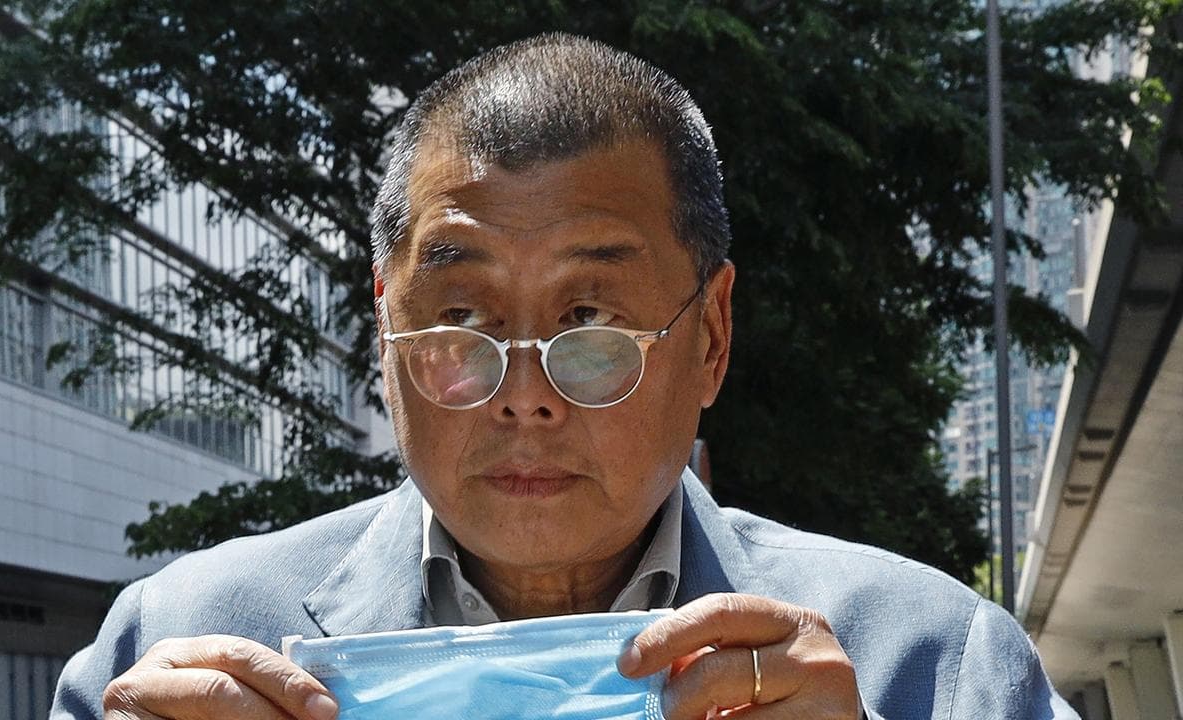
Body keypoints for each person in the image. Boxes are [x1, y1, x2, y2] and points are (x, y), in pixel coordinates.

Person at [53, 33, 1076, 720]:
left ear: (711, 336)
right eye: (461, 319)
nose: (525, 396)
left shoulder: (934, 668)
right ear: (385, 328)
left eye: (590, 322)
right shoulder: (178, 648)